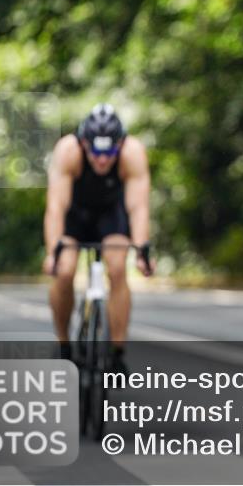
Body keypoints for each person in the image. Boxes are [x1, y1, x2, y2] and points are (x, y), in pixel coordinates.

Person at [42, 103, 153, 373]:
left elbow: (138, 208)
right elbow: (56, 207)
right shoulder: (68, 151)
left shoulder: (133, 153)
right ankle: (64, 343)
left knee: (117, 268)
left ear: (120, 144)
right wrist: (52, 253)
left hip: (111, 215)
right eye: (96, 153)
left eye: (110, 152)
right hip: (75, 215)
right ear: (84, 144)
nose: (102, 160)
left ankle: (117, 352)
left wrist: (141, 252)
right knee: (64, 271)